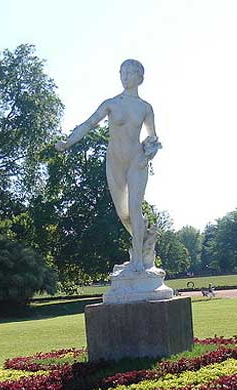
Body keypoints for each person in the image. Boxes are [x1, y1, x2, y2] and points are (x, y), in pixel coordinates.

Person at [55, 59, 160, 272]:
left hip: (137, 160)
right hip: (115, 161)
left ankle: (138, 261)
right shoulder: (111, 103)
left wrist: (151, 150)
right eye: (123, 72)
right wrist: (68, 143)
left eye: (130, 73)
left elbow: (153, 137)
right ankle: (144, 242)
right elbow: (89, 123)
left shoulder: (145, 108)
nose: (126, 76)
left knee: (135, 208)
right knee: (124, 214)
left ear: (140, 77)